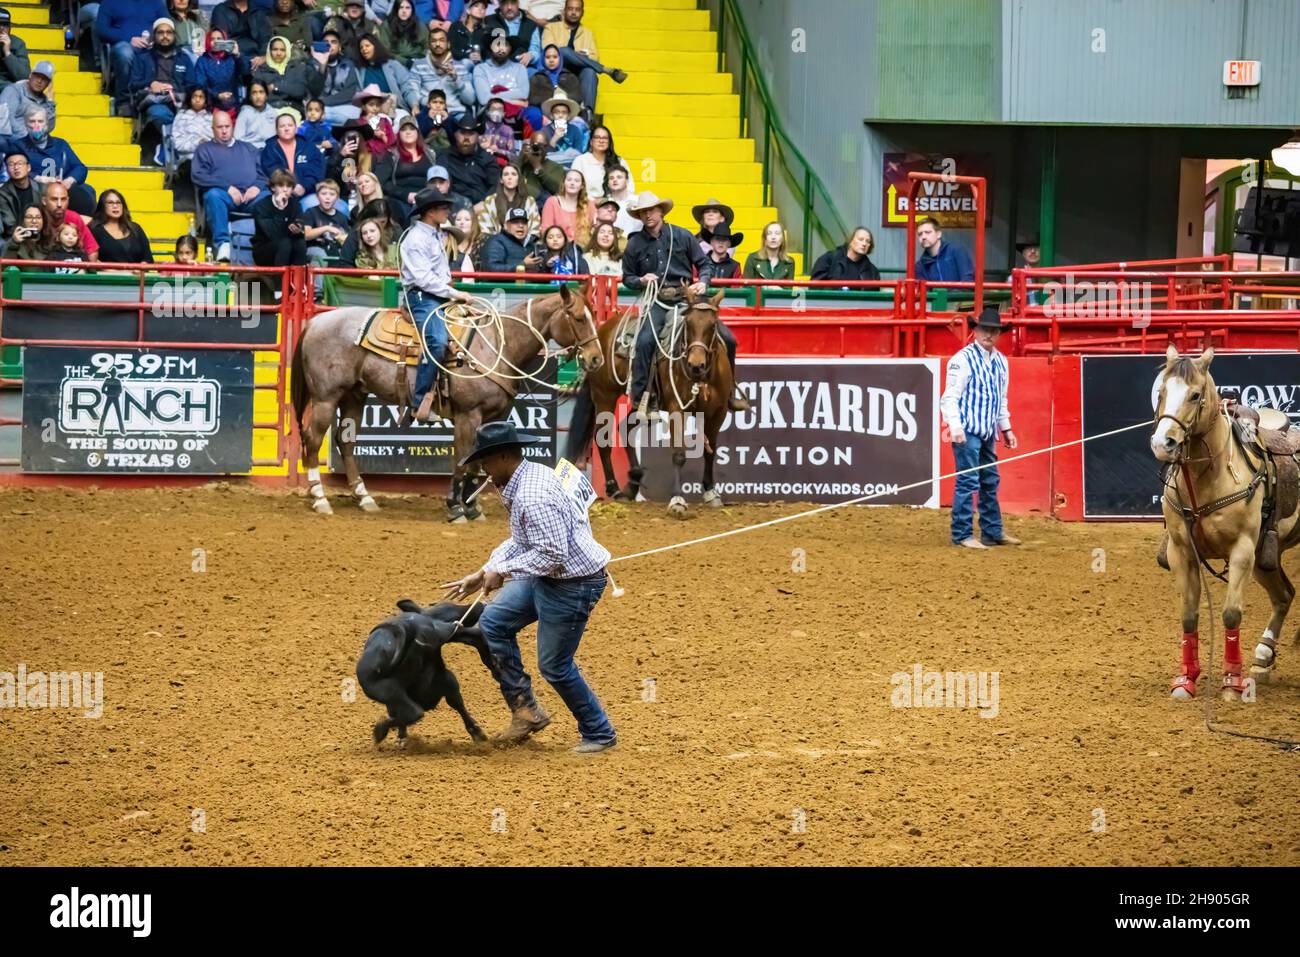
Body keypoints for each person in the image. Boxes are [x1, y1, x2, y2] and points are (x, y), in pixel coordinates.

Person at [442, 419, 617, 753]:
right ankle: (527, 710)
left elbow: (552, 553)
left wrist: (502, 571)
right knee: (493, 624)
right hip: (552, 577)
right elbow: (523, 540)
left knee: (554, 665)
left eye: (487, 462)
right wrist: (486, 570)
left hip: (573, 584)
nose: (484, 470)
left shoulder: (533, 496)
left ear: (505, 457)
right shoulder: (527, 479)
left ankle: (599, 731)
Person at [621, 191, 747, 416]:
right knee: (645, 341)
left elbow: (704, 265)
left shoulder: (682, 236)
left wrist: (704, 282)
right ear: (639, 216)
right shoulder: (634, 244)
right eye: (643, 212)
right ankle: (642, 398)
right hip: (657, 300)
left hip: (686, 299)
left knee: (728, 338)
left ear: (661, 211)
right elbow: (627, 277)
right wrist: (640, 280)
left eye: (651, 210)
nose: (648, 215)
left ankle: (730, 393)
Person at [940, 306, 1020, 549]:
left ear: (999, 334)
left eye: (994, 331)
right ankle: (962, 534)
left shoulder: (1001, 362)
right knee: (968, 480)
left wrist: (1006, 428)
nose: (989, 335)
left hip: (987, 431)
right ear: (976, 330)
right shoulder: (961, 360)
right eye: (985, 329)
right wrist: (954, 425)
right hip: (968, 430)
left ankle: (992, 531)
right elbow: (949, 397)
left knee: (989, 480)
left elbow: (1000, 398)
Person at [401, 187, 473, 422]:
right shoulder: (416, 239)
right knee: (437, 341)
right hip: (422, 297)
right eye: (443, 207)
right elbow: (423, 279)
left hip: (436, 294)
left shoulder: (433, 234)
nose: (448, 211)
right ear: (430, 211)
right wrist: (455, 293)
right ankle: (419, 401)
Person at [192, 109, 266, 262]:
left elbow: (264, 174)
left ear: (233, 126)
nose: (224, 131)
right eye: (220, 127)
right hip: (224, 196)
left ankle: (265, 243)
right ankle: (223, 244)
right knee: (212, 195)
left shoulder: (249, 148)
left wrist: (257, 187)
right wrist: (227, 187)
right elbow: (198, 175)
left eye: (227, 126)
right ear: (212, 129)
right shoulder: (204, 149)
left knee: (269, 198)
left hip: (251, 197)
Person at [540, 0, 626, 110]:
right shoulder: (551, 28)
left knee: (590, 72)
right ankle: (605, 69)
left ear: (582, 12)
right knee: (563, 51)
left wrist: (578, 57)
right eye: (570, 9)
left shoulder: (587, 33)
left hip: (579, 72)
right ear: (564, 10)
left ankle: (588, 114)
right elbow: (548, 51)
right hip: (557, 70)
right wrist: (575, 54)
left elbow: (595, 57)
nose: (573, 12)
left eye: (577, 10)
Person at [95, 0, 170, 116]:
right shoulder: (110, 2)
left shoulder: (156, 2)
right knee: (125, 52)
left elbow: (167, 24)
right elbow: (101, 30)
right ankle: (123, 102)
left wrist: (155, 39)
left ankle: (167, 101)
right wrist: (129, 38)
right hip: (124, 44)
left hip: (152, 46)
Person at [19, 108, 96, 216]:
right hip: (33, 190)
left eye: (40, 121)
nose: (36, 125)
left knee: (87, 191)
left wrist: (69, 181)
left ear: (47, 124)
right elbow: (12, 168)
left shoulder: (60, 144)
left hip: (61, 188)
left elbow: (80, 167)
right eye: (32, 121)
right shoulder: (18, 145)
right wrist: (38, 178)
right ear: (25, 124)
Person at [126, 17, 190, 143]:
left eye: (169, 32)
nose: (165, 36)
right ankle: (171, 143)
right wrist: (150, 84)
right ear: (154, 36)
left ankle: (168, 146)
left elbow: (192, 84)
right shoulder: (142, 58)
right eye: (160, 33)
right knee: (158, 113)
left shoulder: (184, 58)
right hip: (155, 102)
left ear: (174, 36)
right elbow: (132, 85)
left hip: (179, 102)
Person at [403, 27, 475, 121]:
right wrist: (424, 104)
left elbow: (470, 100)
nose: (437, 44)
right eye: (434, 41)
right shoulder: (419, 65)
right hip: (429, 114)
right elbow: (413, 91)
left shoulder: (460, 67)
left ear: (448, 44)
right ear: (429, 45)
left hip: (455, 114)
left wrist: (456, 78)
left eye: (441, 40)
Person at [472, 30, 532, 129]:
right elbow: (483, 99)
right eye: (497, 44)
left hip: (517, 111)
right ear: (490, 47)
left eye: (505, 45)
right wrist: (516, 101)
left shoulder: (519, 68)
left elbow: (523, 93)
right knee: (495, 112)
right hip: (490, 110)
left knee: (534, 114)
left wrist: (495, 95)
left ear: (510, 49)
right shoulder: (481, 68)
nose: (501, 48)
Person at [261, 109, 325, 197]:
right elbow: (270, 171)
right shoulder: (270, 149)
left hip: (306, 192)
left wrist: (304, 186)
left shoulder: (309, 147)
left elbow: (317, 171)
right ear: (276, 130)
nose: (286, 129)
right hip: (278, 192)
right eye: (282, 126)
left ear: (296, 128)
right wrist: (287, 187)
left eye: (290, 125)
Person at [435, 117, 500, 204]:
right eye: (462, 133)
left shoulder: (488, 159)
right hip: (452, 207)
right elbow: (440, 185)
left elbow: (495, 186)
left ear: (477, 136)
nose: (466, 137)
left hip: (481, 208)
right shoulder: (444, 156)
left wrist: (484, 203)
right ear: (455, 134)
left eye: (471, 133)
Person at [250, 168, 307, 265]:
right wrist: (280, 209)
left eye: (289, 186)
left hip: (287, 245)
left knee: (300, 243)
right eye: (281, 185)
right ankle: (280, 279)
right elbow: (273, 235)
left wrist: (298, 230)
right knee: (285, 243)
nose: (285, 189)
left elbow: (300, 225)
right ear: (273, 187)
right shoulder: (261, 206)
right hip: (264, 250)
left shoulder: (296, 205)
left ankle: (298, 278)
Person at [253, 35, 324, 112]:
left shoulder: (297, 68)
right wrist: (289, 89)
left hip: (294, 108)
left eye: (282, 50)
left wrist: (274, 87)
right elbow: (258, 95)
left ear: (287, 51)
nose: (278, 53)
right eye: (275, 49)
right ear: (269, 51)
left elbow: (300, 91)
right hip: (269, 110)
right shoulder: (262, 69)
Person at [385, 115, 434, 216]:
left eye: (412, 129)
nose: (408, 132)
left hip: (428, 197)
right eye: (403, 129)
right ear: (399, 134)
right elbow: (384, 183)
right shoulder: (392, 155)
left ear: (417, 132)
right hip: (401, 200)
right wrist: (406, 195)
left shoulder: (430, 153)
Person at [474, 160, 538, 236]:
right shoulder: (490, 201)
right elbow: (485, 230)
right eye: (506, 174)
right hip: (497, 244)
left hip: (523, 244)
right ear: (501, 180)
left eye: (514, 174)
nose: (510, 177)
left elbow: (534, 230)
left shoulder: (529, 201)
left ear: (519, 179)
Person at [89, 189, 153, 263]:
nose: (115, 206)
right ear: (102, 206)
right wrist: (108, 270)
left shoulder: (135, 228)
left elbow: (148, 257)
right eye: (110, 203)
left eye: (118, 202)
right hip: (107, 274)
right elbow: (89, 257)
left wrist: (140, 268)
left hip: (136, 273)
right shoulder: (95, 229)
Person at [42, 181, 99, 261]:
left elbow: (91, 250)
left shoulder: (74, 217)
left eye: (63, 199)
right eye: (54, 199)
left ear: (68, 200)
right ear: (44, 201)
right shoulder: (37, 217)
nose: (59, 204)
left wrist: (88, 270)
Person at [570, 124, 629, 200]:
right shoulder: (580, 161)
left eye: (605, 138)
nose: (601, 141)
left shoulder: (619, 161)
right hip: (586, 205)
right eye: (597, 137)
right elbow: (574, 187)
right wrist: (593, 201)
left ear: (609, 142)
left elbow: (629, 187)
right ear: (591, 142)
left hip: (615, 205)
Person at [315, 27, 361, 125]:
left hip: (342, 107)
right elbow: (312, 89)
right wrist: (322, 67)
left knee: (356, 113)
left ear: (339, 47)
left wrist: (323, 102)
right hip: (319, 108)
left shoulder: (348, 65)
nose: (329, 45)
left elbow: (349, 93)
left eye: (333, 42)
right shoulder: (313, 64)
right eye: (326, 42)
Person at [193, 28, 243, 118]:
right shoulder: (202, 60)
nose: (216, 41)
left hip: (232, 105)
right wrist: (217, 95)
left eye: (219, 39)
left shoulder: (232, 58)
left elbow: (243, 72)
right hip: (210, 106)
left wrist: (237, 55)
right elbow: (200, 85)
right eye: (212, 39)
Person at [354, 33, 412, 108]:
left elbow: (407, 86)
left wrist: (414, 105)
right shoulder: (360, 70)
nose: (364, 49)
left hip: (394, 108)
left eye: (367, 46)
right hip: (371, 110)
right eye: (361, 47)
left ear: (376, 47)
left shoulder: (393, 64)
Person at [0, 59, 56, 135]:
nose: (39, 81)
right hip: (10, 140)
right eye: (37, 76)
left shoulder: (45, 101)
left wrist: (50, 102)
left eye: (44, 79)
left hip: (33, 141)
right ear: (30, 75)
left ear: (48, 83)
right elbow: (7, 122)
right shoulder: (13, 91)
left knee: (62, 144)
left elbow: (48, 128)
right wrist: (29, 138)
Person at [539, 167, 592, 246]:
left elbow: (595, 230)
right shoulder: (552, 202)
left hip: (584, 250)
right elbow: (546, 231)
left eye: (576, 181)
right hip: (558, 249)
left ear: (582, 186)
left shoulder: (589, 205)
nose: (572, 183)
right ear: (564, 183)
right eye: (569, 180)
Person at [301, 177, 351, 260]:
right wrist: (327, 228)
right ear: (317, 196)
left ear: (337, 197)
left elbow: (346, 240)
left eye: (332, 194)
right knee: (320, 255)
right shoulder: (310, 212)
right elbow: (306, 235)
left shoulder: (342, 217)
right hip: (314, 248)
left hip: (334, 249)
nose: (327, 197)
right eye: (323, 194)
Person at [480, 205, 540, 274]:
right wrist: (522, 265)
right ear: (505, 225)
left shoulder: (531, 244)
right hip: (504, 285)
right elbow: (491, 269)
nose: (520, 225)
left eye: (524, 222)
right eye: (515, 222)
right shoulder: (496, 242)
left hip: (527, 284)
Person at [915, 216, 975, 283]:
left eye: (927, 232)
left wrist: (950, 293)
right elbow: (925, 291)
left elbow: (968, 281)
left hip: (960, 293)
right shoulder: (920, 265)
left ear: (938, 234)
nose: (923, 237)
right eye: (920, 234)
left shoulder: (957, 251)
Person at [811, 225, 880, 283]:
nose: (864, 244)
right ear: (851, 241)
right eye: (860, 239)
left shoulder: (872, 271)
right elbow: (815, 285)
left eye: (868, 241)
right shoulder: (829, 259)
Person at [528, 43, 579, 115]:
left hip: (566, 113)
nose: (551, 60)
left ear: (560, 58)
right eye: (548, 57)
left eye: (555, 57)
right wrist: (552, 98)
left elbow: (577, 97)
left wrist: (562, 98)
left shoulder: (569, 76)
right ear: (543, 58)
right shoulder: (537, 78)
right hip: (544, 113)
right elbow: (533, 99)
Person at [537, 91, 585, 167]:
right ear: (552, 115)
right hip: (551, 168)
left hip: (571, 168)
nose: (560, 115)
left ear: (568, 115)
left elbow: (578, 154)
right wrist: (554, 139)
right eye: (557, 112)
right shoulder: (544, 131)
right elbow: (543, 157)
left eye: (564, 112)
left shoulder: (575, 130)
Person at [519, 129, 564, 205]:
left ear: (547, 147)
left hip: (545, 206)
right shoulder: (524, 164)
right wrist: (521, 157)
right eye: (535, 145)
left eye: (542, 146)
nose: (538, 148)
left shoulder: (556, 167)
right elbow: (509, 177)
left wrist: (537, 166)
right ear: (530, 145)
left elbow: (557, 189)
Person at [171, 86, 214, 165]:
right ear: (189, 99)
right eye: (194, 96)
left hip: (210, 157)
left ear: (205, 100)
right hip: (189, 159)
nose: (197, 100)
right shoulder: (181, 116)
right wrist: (198, 143)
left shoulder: (211, 117)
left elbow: (217, 140)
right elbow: (177, 144)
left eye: (201, 97)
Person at [353, 83, 397, 160]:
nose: (375, 108)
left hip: (383, 159)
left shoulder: (384, 121)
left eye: (378, 105)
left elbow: (391, 144)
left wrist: (383, 137)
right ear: (363, 107)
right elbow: (355, 145)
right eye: (371, 105)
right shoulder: (357, 123)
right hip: (363, 158)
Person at [325, 0, 376, 65]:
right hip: (340, 63)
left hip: (364, 63)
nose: (354, 7)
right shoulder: (335, 21)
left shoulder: (369, 25)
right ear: (346, 8)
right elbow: (326, 44)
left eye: (358, 5)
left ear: (363, 9)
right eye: (351, 5)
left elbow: (378, 47)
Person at [379, 0, 427, 68]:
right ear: (396, 9)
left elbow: (427, 45)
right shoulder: (387, 25)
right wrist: (405, 62)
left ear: (412, 10)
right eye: (401, 7)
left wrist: (421, 60)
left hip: (418, 60)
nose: (404, 11)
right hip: (396, 61)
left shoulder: (419, 24)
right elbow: (385, 51)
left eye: (407, 8)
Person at [0, 149, 37, 238]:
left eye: (20, 163)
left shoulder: (41, 188)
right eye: (11, 164)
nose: (16, 167)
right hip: (16, 236)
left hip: (40, 235)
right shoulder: (2, 194)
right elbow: (10, 225)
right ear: (7, 170)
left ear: (28, 167)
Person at [234, 79, 278, 148]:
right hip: (250, 151)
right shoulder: (245, 113)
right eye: (254, 93)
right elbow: (238, 139)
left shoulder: (272, 112)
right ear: (250, 97)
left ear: (266, 95)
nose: (258, 96)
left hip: (270, 150)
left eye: (261, 92)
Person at [0, 7, 32, 91]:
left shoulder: (17, 43)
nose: (1, 28)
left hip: (10, 90)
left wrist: (7, 53)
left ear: (10, 27)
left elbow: (24, 77)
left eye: (5, 25)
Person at [478, 96, 515, 164]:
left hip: (500, 165)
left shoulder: (508, 131)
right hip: (481, 163)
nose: (496, 112)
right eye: (493, 109)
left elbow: (512, 156)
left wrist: (498, 150)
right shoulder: (480, 128)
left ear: (504, 114)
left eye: (499, 110)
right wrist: (482, 147)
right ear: (487, 112)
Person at [601, 165, 637, 233]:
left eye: (619, 177)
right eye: (611, 178)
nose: (615, 180)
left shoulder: (637, 201)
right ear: (608, 183)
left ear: (627, 181)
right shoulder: (603, 205)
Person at [447, 205, 480, 270]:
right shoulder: (449, 244)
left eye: (467, 220)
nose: (462, 222)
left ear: (474, 223)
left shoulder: (481, 244)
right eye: (458, 219)